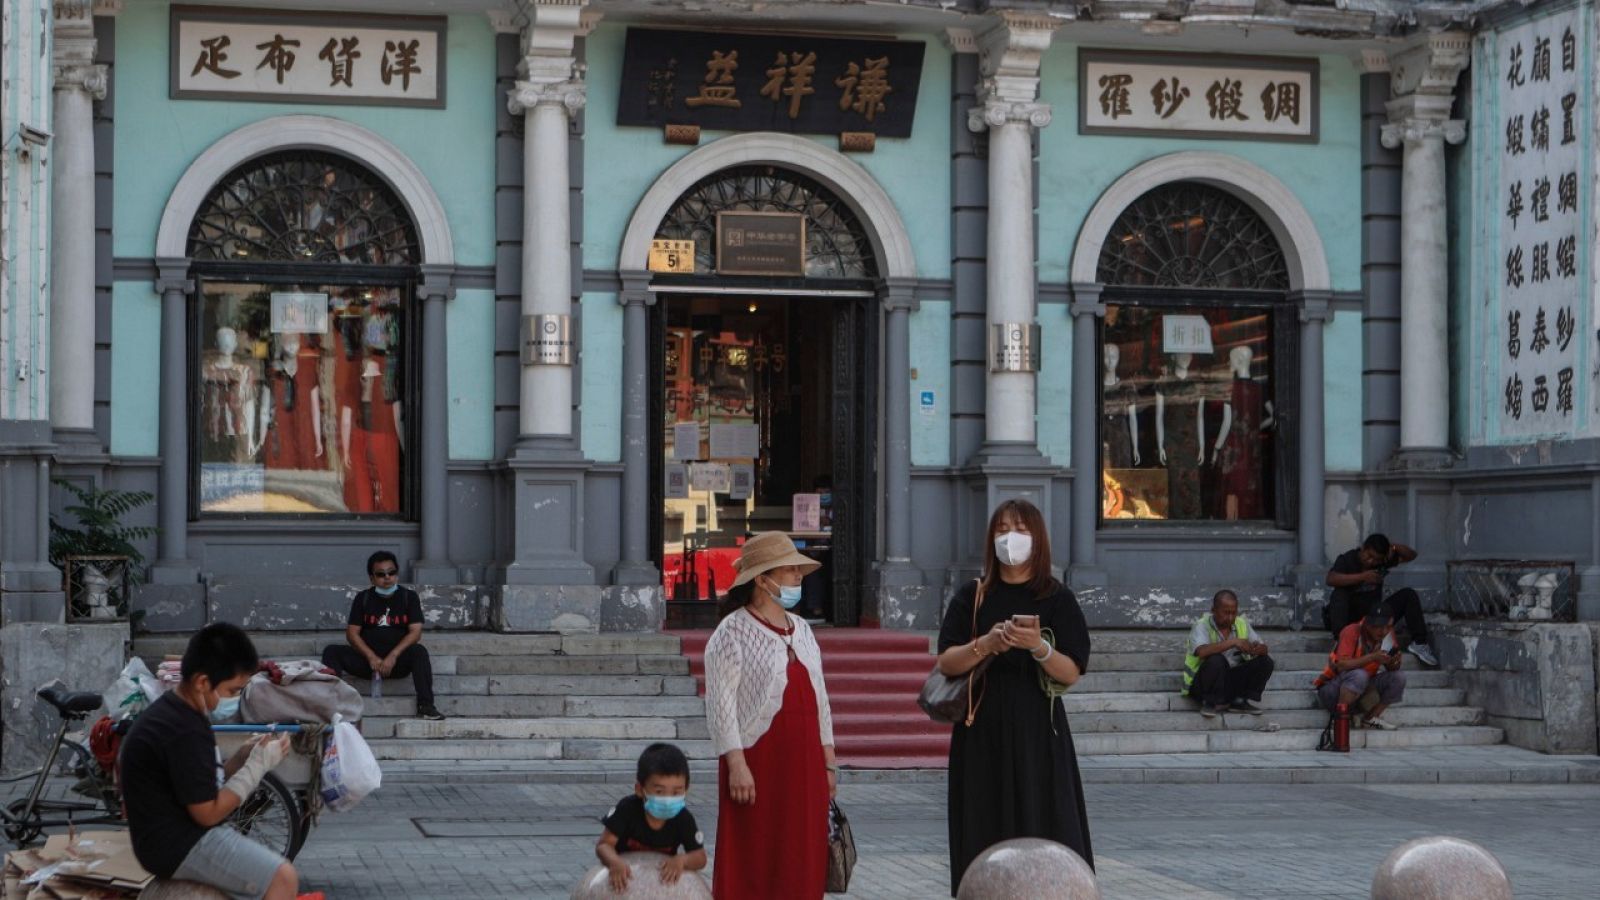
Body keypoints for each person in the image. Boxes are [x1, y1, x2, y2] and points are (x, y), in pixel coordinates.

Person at [936, 499, 1093, 896]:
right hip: (981, 733)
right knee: (982, 826)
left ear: (1037, 538)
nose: (1010, 538)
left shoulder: (1057, 598)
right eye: (1002, 529)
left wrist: (1038, 647)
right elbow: (947, 662)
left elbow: (1072, 671)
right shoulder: (972, 596)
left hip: (1041, 734)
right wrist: (987, 644)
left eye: (1021, 529)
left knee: (1048, 826)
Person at [118, 623, 300, 900]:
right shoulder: (182, 729)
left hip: (168, 839)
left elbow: (198, 787)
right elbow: (209, 813)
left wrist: (241, 758)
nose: (235, 699)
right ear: (203, 682)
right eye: (231, 690)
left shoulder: (176, 713)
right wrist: (257, 767)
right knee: (283, 878)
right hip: (177, 844)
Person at [703, 532, 836, 899]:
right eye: (789, 570)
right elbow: (720, 706)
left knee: (802, 852)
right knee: (754, 853)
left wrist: (829, 762)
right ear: (762, 578)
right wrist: (737, 764)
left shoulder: (804, 629)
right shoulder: (731, 632)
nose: (798, 577)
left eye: (799, 569)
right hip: (756, 760)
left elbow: (821, 699)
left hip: (805, 762)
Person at [320, 551, 444, 720]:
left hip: (397, 662)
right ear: (372, 578)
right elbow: (352, 633)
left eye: (391, 572)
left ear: (397, 574)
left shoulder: (409, 597)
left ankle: (426, 706)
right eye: (381, 574)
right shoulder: (363, 598)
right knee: (331, 652)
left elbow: (416, 632)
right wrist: (371, 657)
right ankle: (331, 707)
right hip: (368, 663)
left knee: (419, 652)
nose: (387, 578)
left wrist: (393, 656)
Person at [595, 743, 708, 893]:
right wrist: (614, 861)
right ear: (640, 790)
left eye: (676, 792)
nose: (668, 799)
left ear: (686, 790)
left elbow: (700, 857)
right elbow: (604, 845)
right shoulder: (627, 809)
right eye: (660, 791)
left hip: (661, 885)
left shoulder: (683, 818)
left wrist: (682, 860)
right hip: (624, 881)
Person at [1325, 533, 1438, 667]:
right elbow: (1330, 579)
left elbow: (1411, 555)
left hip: (1372, 618)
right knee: (1340, 592)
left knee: (1408, 595)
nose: (1371, 561)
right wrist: (1362, 577)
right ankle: (1341, 640)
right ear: (1363, 548)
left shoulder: (1382, 562)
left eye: (1376, 559)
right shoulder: (1347, 559)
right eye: (1369, 556)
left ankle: (1419, 643)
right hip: (1348, 618)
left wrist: (1393, 547)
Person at [1181, 590, 1275, 717]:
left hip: (1228, 683)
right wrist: (1233, 642)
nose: (1230, 617)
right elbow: (1202, 652)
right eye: (1225, 613)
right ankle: (1210, 703)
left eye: (1233, 613)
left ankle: (1239, 701)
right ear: (1214, 610)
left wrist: (1257, 649)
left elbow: (1264, 647)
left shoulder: (1241, 623)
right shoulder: (1201, 625)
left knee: (1265, 662)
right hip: (1201, 685)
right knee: (1216, 659)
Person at [1312, 609, 1408, 731]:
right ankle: (1340, 718)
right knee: (1359, 675)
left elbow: (1391, 668)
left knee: (1399, 677)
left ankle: (1371, 718)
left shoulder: (1388, 635)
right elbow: (1341, 665)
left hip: (1361, 689)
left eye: (1388, 627)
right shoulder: (1351, 631)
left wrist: (1394, 662)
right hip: (1333, 690)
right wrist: (1372, 657)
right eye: (1378, 627)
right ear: (1367, 625)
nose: (1383, 631)